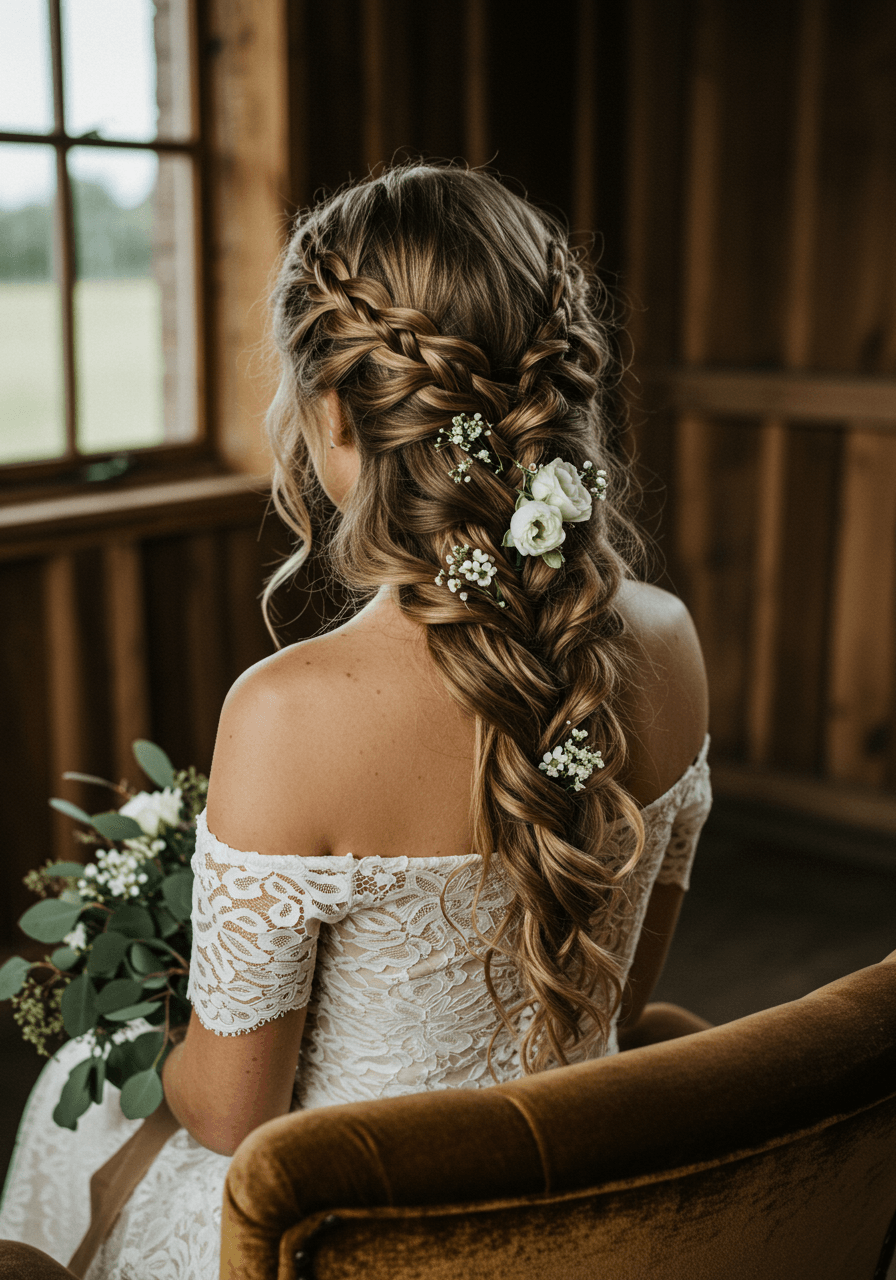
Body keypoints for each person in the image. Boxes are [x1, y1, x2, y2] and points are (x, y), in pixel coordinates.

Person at [0, 162, 710, 1278]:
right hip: (583, 1192)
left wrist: (174, 1011)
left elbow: (236, 1118)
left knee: (75, 1085)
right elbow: (617, 983)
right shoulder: (666, 641)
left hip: (360, 1236)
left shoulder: (287, 715)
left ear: (331, 409)